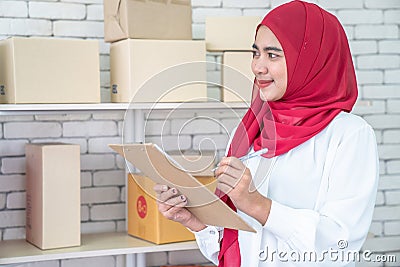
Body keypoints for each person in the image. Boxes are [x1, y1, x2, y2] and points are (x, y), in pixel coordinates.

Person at [154, 1, 379, 266]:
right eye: (256, 53)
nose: (258, 67)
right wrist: (196, 223)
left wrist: (257, 204)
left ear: (310, 61)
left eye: (272, 55)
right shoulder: (251, 130)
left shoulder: (349, 135)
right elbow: (238, 246)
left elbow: (341, 244)